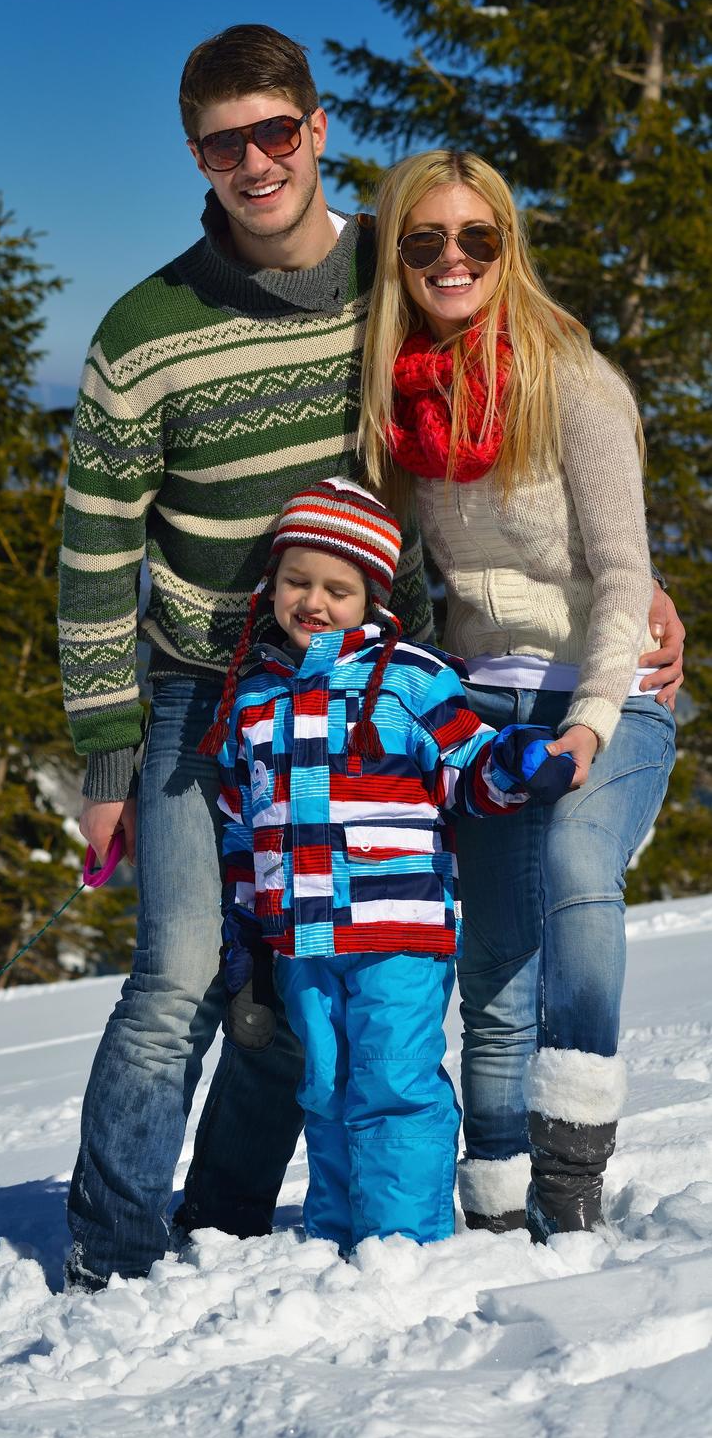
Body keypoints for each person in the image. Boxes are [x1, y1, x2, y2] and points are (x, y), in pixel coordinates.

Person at [58, 26, 683, 1289]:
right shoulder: (146, 329)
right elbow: (90, 549)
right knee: (188, 967)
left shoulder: (389, 273)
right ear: (197, 154)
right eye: (225, 143)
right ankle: (115, 1250)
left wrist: (641, 596)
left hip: (369, 692)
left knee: (325, 961)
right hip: (203, 688)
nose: (254, 162)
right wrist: (106, 749)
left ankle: (241, 1214)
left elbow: (520, 443)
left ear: (317, 128)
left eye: (274, 133)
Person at [358, 149, 678, 1240]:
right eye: (426, 241)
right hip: (482, 704)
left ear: (508, 247)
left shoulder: (572, 379)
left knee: (578, 865)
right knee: (492, 951)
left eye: (477, 239)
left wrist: (593, 718)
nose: (454, 259)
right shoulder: (397, 403)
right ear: (398, 258)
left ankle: (572, 1166)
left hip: (610, 688)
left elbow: (625, 574)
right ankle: (493, 1189)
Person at [205, 476, 572, 1250]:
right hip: (301, 941)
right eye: (297, 580)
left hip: (395, 933)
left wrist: (516, 762)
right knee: (326, 1086)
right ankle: (343, 1236)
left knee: (395, 1083)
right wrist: (244, 927)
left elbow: (465, 765)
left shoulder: (408, 677)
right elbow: (242, 827)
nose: (313, 601)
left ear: (370, 595)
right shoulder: (251, 702)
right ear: (272, 584)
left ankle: (404, 1242)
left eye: (337, 588)